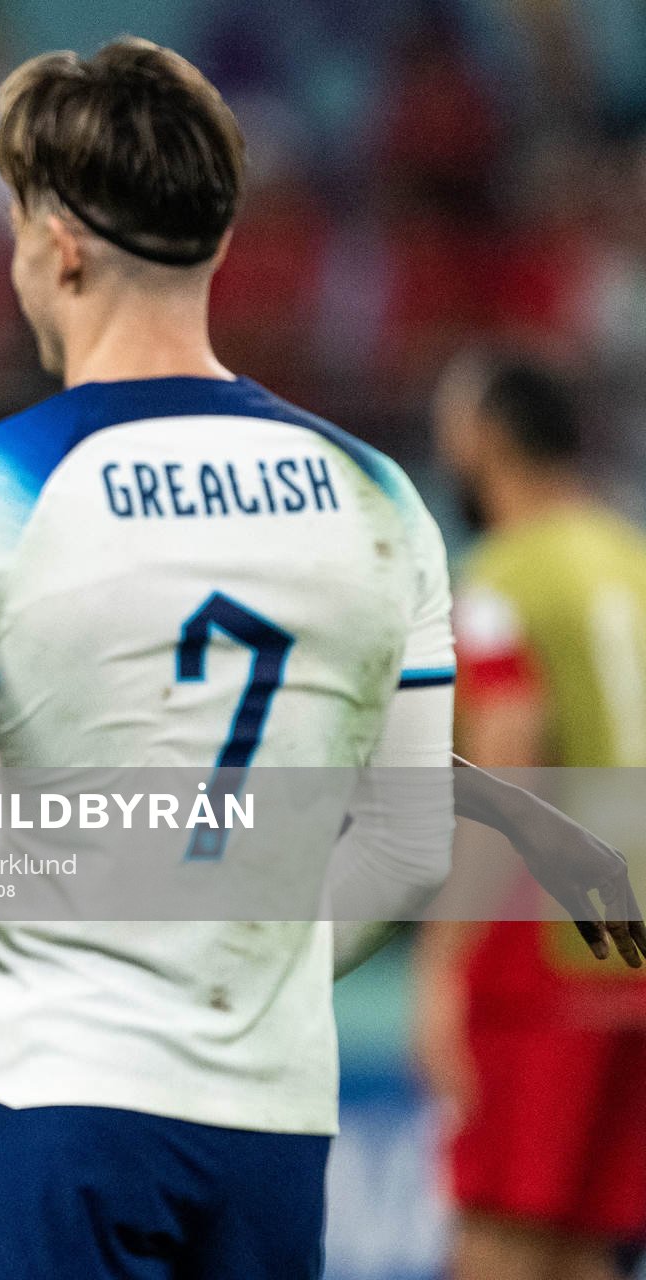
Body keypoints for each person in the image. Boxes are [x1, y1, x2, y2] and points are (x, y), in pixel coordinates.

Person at [0, 39, 458, 1278]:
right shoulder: (381, 496)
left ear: (62, 242)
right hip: (270, 1112)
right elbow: (411, 845)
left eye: (22, 226)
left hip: (49, 1091)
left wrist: (0, 965)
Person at [416, 353, 646, 1280]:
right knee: (585, 1247)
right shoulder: (630, 561)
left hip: (540, 952)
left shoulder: (502, 574)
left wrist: (446, 958)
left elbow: (512, 755)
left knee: (498, 1238)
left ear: (484, 439)